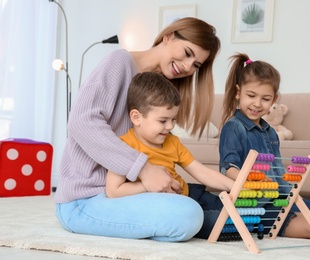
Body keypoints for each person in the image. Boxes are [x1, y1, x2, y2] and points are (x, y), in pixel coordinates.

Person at [54, 17, 221, 242]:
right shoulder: (119, 63)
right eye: (188, 53)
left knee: (195, 198)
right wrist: (142, 168)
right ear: (168, 36)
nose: (188, 66)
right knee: (188, 214)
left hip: (125, 195)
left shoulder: (160, 88)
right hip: (85, 199)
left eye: (196, 65)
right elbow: (81, 122)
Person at [219, 53, 310, 239]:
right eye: (251, 95)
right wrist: (252, 180)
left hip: (281, 197)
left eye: (265, 98)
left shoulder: (270, 132)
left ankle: (292, 214)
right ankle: (275, 224)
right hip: (257, 206)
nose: (257, 104)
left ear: (274, 99)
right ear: (238, 92)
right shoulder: (234, 127)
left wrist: (293, 194)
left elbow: (276, 168)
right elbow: (228, 168)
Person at [106, 71, 234, 238]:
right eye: (163, 120)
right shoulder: (124, 146)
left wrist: (235, 186)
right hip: (171, 206)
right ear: (136, 117)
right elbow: (113, 191)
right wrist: (145, 186)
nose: (170, 126)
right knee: (220, 223)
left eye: (174, 119)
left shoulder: (172, 142)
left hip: (190, 192)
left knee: (234, 208)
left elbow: (201, 172)